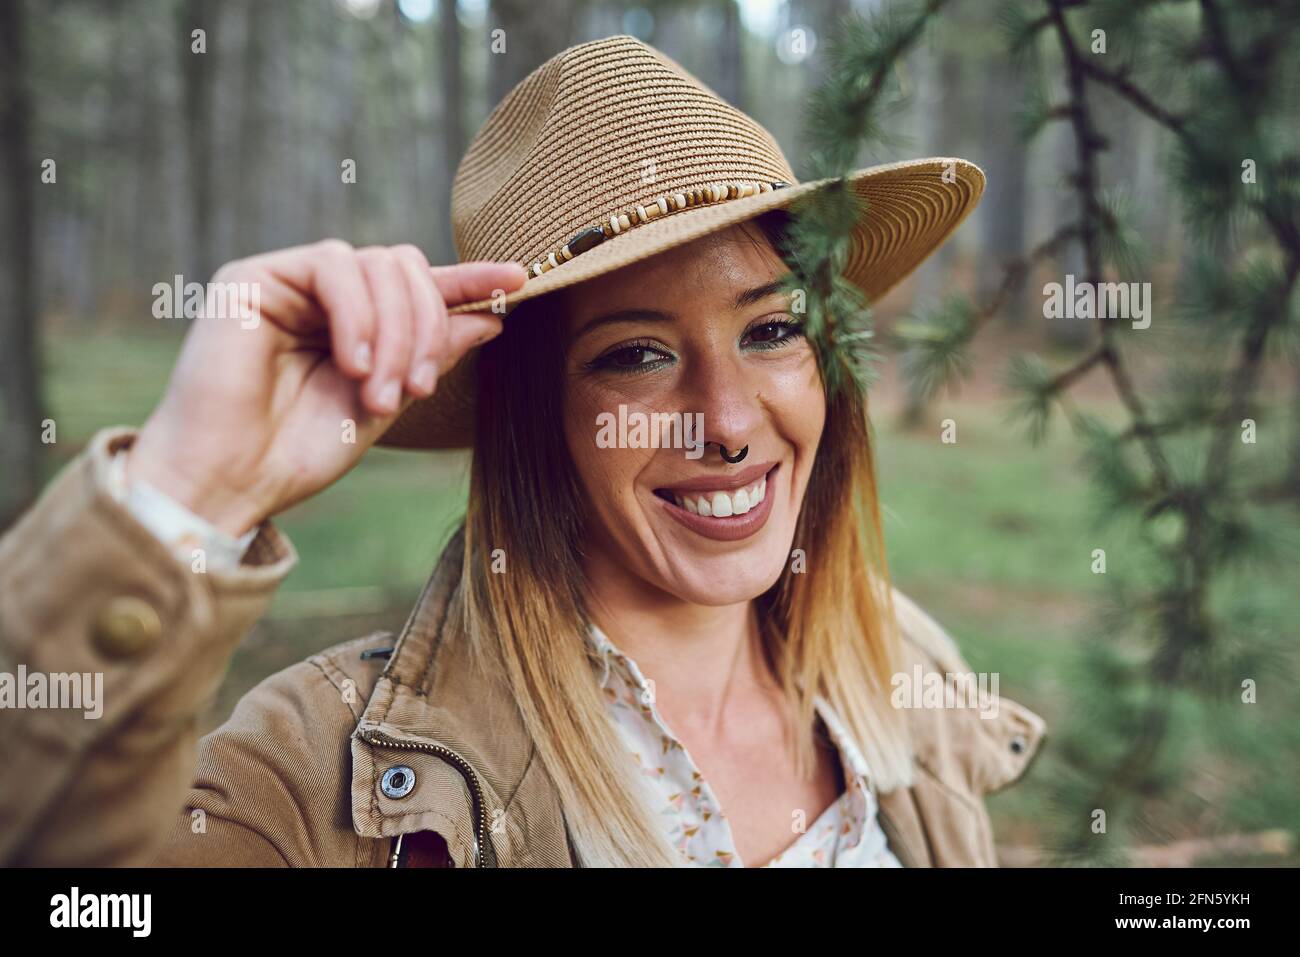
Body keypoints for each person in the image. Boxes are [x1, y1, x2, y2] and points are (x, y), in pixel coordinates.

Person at [0, 35, 1044, 868]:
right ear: (533, 412)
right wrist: (187, 491)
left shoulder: (894, 666)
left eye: (771, 331)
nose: (726, 422)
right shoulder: (324, 774)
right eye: (635, 355)